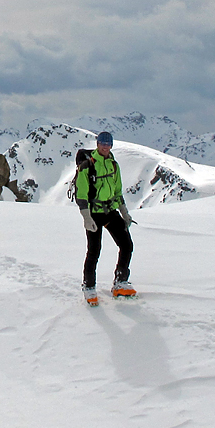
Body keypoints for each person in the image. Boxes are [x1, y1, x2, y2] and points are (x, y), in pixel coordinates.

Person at [75, 131, 136, 305]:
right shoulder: (87, 166)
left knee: (126, 245)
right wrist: (86, 217)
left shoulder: (114, 166)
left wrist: (124, 213)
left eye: (108, 144)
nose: (105, 146)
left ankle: (120, 281)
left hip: (109, 211)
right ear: (97, 144)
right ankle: (89, 286)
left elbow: (117, 192)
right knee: (94, 250)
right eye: (102, 143)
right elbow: (81, 195)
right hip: (93, 213)